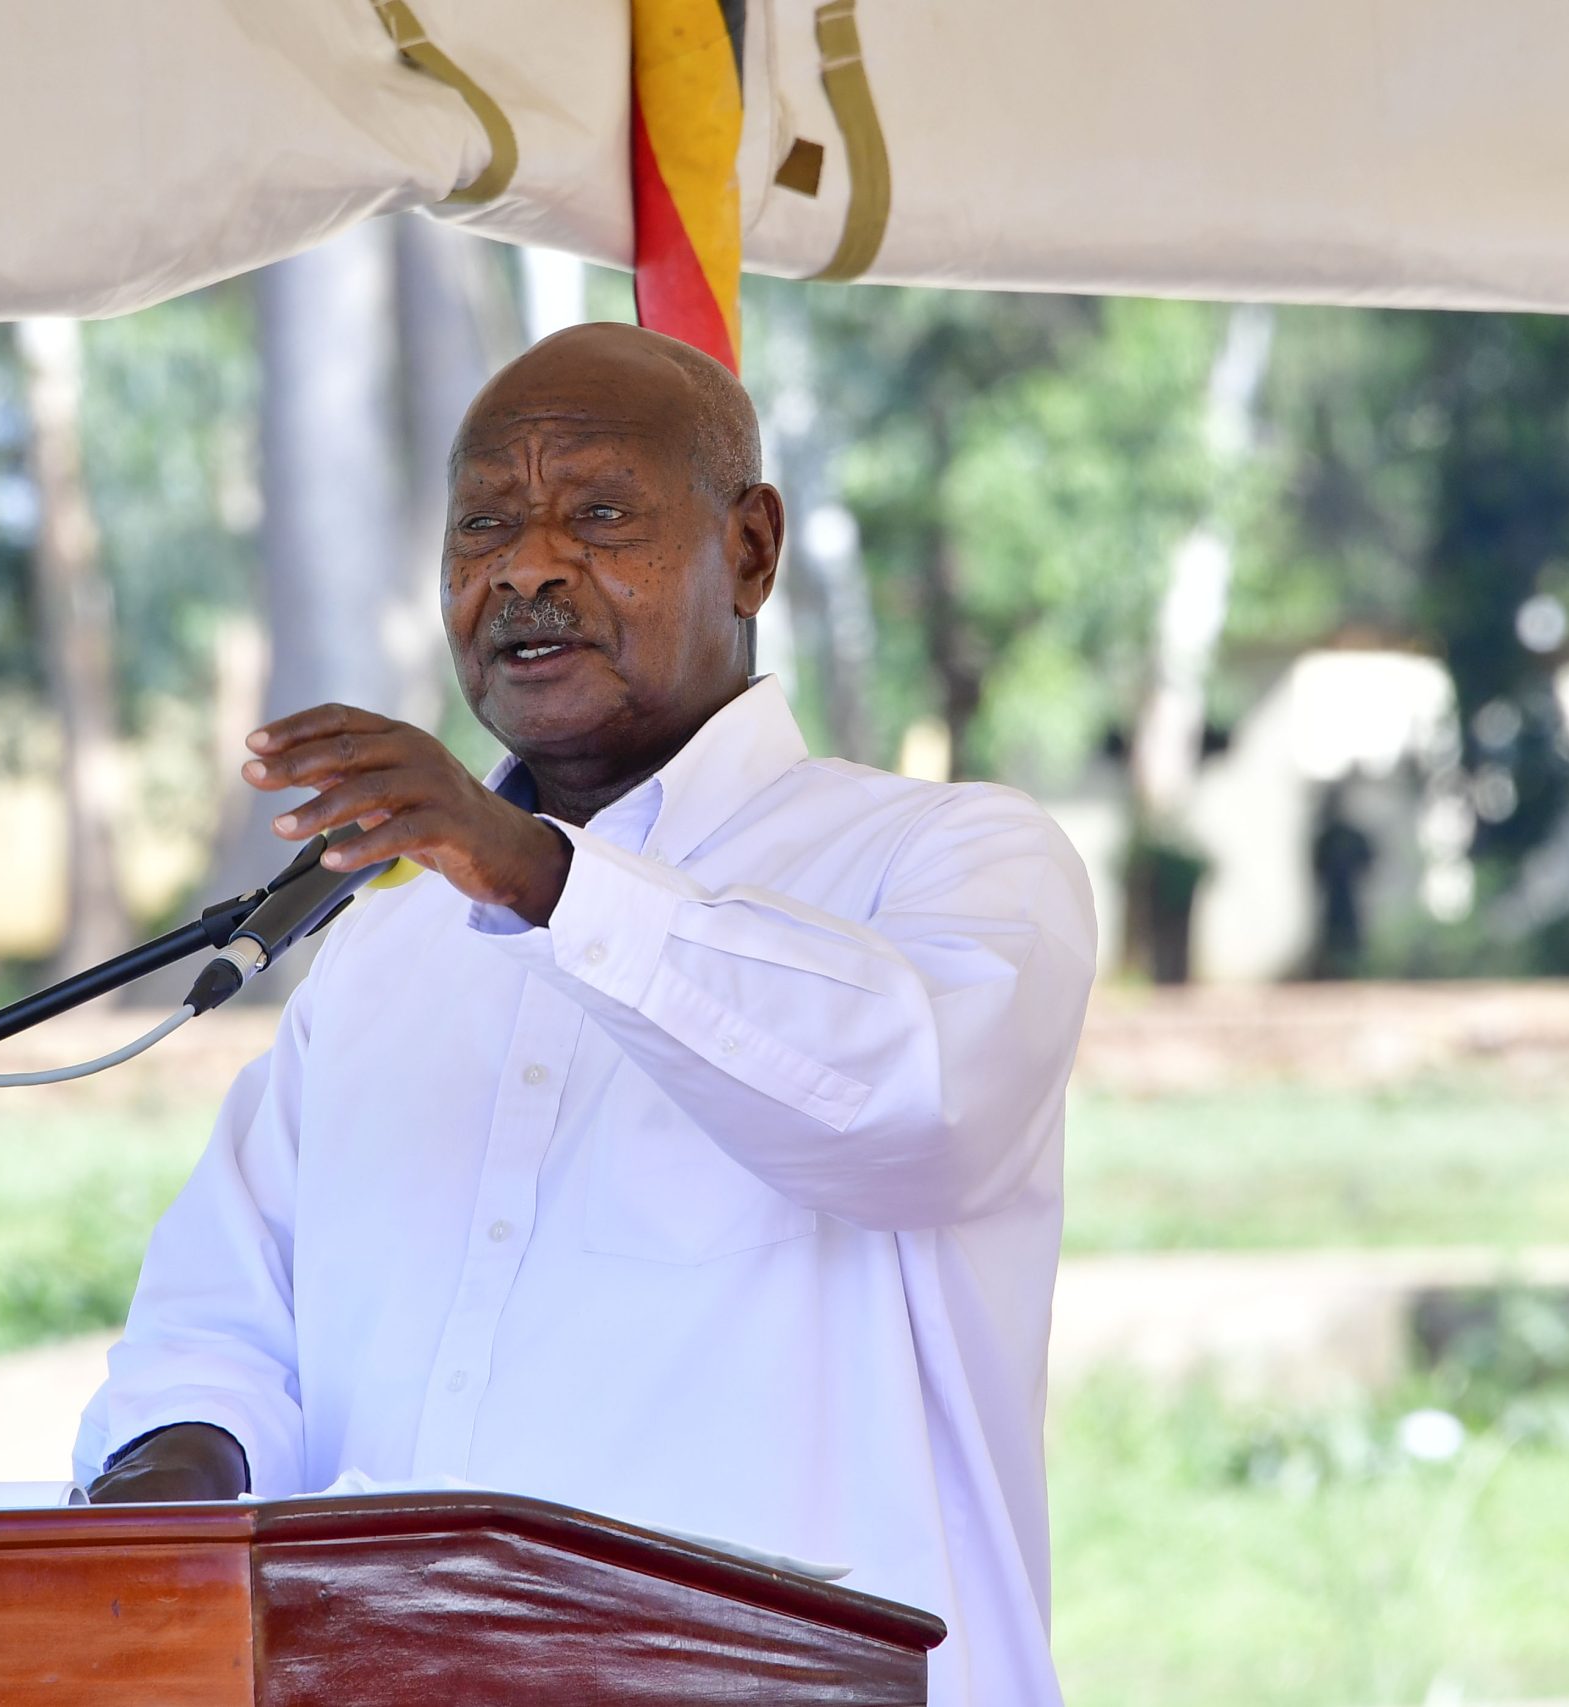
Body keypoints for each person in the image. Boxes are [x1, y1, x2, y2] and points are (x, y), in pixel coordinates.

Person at [73, 321, 1096, 1706]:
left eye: (600, 515)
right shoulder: (385, 952)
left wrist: (541, 877)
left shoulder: (950, 858)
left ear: (751, 550)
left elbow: (920, 1120)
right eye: (483, 524)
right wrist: (176, 1468)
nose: (525, 568)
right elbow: (222, 1324)